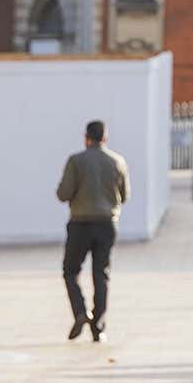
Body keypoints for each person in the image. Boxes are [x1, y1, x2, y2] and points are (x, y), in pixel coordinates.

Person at [56, 120, 130, 342]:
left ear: (86, 138)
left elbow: (63, 193)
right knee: (101, 274)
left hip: (80, 223)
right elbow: (125, 196)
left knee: (70, 271)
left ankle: (80, 311)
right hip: (107, 224)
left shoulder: (76, 161)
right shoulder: (117, 161)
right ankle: (98, 326)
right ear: (105, 138)